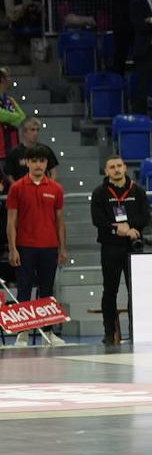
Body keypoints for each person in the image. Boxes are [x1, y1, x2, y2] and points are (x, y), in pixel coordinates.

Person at [5, 144, 66, 346]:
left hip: (49, 246)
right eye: (34, 161)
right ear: (27, 163)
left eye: (42, 161)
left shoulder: (56, 189)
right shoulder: (16, 188)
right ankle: (22, 333)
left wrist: (62, 248)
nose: (38, 165)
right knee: (24, 290)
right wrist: (13, 248)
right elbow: (11, 221)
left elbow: (59, 220)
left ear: (47, 163)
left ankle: (47, 333)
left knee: (47, 290)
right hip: (25, 246)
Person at [90, 155, 150, 345]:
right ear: (106, 171)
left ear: (125, 168)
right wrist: (117, 228)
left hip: (132, 248)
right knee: (110, 291)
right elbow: (97, 220)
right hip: (110, 247)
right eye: (111, 167)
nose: (116, 169)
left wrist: (131, 227)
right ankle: (110, 332)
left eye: (118, 166)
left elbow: (145, 217)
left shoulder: (138, 191)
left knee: (135, 291)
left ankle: (137, 331)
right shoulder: (99, 193)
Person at [4, 117, 57, 184]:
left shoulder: (46, 150)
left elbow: (53, 173)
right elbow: (9, 176)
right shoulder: (14, 152)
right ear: (24, 132)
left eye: (37, 130)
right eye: (32, 130)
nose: (36, 133)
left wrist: (48, 187)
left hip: (41, 190)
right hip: (22, 191)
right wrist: (19, 189)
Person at [0, 65, 24, 156]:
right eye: (8, 76)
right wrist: (14, 118)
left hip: (12, 150)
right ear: (2, 79)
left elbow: (22, 120)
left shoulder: (10, 100)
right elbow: (2, 115)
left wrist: (10, 118)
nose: (10, 79)